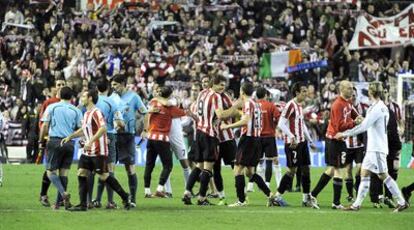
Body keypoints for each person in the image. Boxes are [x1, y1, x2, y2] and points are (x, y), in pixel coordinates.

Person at [335, 81, 409, 212]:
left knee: (383, 175)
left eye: (368, 90)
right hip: (372, 148)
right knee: (364, 173)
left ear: (371, 92)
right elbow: (370, 123)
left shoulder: (377, 108)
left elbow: (365, 126)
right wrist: (361, 120)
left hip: (377, 148)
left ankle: (402, 201)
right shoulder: (378, 107)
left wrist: (344, 133)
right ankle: (356, 205)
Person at [61, 89, 131, 211]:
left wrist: (91, 141)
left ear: (90, 98)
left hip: (98, 150)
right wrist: (70, 137)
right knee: (81, 173)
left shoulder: (96, 112)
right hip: (88, 150)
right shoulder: (86, 113)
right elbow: (84, 130)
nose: (81, 98)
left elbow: (103, 128)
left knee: (104, 176)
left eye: (83, 96)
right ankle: (83, 205)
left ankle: (125, 196)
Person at [221, 82, 276, 207]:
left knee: (237, 170)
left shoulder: (247, 104)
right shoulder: (256, 104)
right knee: (250, 172)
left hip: (248, 139)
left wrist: (227, 126)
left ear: (241, 91)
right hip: (257, 139)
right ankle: (270, 194)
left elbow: (245, 121)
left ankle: (241, 200)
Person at [181, 75, 233, 205]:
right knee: (208, 168)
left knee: (199, 166)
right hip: (209, 134)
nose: (222, 87)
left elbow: (199, 114)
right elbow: (221, 114)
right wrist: (234, 108)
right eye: (220, 85)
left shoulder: (202, 93)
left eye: (223, 85)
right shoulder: (216, 96)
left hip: (199, 132)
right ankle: (202, 198)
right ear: (214, 84)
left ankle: (187, 192)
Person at [310, 80, 361, 209]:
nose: (352, 91)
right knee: (339, 170)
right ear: (342, 89)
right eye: (349, 88)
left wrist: (359, 117)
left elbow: (353, 113)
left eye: (352, 88)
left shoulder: (347, 103)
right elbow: (339, 126)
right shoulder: (338, 105)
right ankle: (335, 203)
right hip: (335, 139)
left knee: (333, 169)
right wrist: (354, 123)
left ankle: (313, 194)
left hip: (338, 140)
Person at [38, 86, 83, 210]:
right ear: (72, 97)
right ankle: (58, 204)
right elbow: (82, 129)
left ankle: (63, 193)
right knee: (64, 173)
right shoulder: (76, 110)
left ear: (59, 95)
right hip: (69, 143)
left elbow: (44, 126)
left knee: (50, 171)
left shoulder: (52, 107)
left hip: (55, 141)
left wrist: (41, 141)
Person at [274, 82, 317, 207]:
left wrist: (309, 140)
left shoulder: (299, 105)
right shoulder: (290, 105)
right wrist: (292, 136)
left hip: (302, 142)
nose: (306, 93)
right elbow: (281, 124)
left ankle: (305, 199)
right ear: (297, 92)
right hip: (293, 143)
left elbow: (301, 124)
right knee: (292, 170)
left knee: (306, 169)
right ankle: (277, 196)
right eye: (303, 91)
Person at [110, 74, 147, 207]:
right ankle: (111, 201)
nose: (113, 87)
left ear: (123, 84)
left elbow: (145, 112)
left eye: (115, 85)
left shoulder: (134, 96)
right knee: (110, 169)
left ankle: (133, 200)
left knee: (130, 168)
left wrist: (145, 130)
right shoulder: (112, 98)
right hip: (114, 135)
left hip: (128, 136)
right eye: (112, 85)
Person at [142, 86, 186, 198]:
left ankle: (147, 191)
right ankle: (160, 189)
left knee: (149, 165)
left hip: (151, 137)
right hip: (162, 139)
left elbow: (146, 114)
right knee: (168, 165)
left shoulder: (152, 102)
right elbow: (181, 112)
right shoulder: (170, 107)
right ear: (170, 95)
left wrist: (145, 129)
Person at [90, 78, 124, 209]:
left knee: (93, 168)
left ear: (97, 89)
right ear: (108, 88)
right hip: (109, 134)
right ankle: (110, 201)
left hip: (94, 135)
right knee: (109, 169)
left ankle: (92, 200)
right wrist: (119, 127)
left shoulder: (92, 101)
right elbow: (120, 122)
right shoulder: (112, 102)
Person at [37, 78, 66, 207]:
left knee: (61, 170)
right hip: (51, 140)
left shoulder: (69, 102)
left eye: (62, 85)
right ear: (54, 88)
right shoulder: (49, 103)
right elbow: (42, 122)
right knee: (51, 168)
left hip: (64, 141)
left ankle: (60, 198)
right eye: (58, 85)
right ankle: (44, 194)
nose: (60, 87)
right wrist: (44, 137)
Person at [344, 87, 368, 202]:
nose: (352, 97)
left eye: (354, 95)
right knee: (348, 170)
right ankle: (350, 194)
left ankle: (357, 188)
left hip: (359, 145)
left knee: (359, 169)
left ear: (357, 95)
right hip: (347, 145)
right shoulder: (345, 108)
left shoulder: (363, 107)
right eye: (350, 95)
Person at [255, 87, 281, 189]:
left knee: (258, 161)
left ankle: (251, 185)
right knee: (271, 160)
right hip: (269, 136)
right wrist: (274, 126)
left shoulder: (254, 106)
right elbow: (278, 118)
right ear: (266, 95)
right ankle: (270, 184)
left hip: (257, 136)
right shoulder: (271, 106)